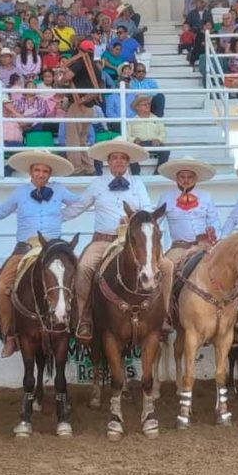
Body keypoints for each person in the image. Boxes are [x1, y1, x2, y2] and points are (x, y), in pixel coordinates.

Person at [61, 139, 174, 342]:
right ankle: (84, 318)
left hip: (132, 242)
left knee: (166, 266)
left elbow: (148, 210)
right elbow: (77, 207)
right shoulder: (97, 184)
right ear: (108, 162)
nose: (119, 162)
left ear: (128, 162)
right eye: (115, 158)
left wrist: (135, 217)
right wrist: (54, 216)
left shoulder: (138, 183)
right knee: (84, 267)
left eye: (123, 158)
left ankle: (163, 315)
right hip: (103, 240)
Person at [0, 150, 79, 357]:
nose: (41, 174)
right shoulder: (19, 192)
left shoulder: (60, 190)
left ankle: (79, 327)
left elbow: (81, 203)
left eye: (45, 171)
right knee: (1, 286)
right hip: (25, 248)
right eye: (37, 170)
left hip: (54, 249)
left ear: (50, 174)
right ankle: (9, 335)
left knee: (80, 278)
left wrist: (62, 217)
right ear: (30, 172)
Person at [156, 159, 220, 270]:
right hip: (179, 248)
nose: (186, 180)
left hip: (203, 246)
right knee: (167, 270)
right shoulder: (166, 197)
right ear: (177, 178)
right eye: (182, 177)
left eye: (190, 177)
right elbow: (155, 221)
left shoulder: (206, 196)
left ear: (195, 178)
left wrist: (213, 229)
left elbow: (214, 220)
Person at [61, 40, 103, 176]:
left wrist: (60, 80)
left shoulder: (80, 62)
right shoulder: (95, 66)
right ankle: (89, 167)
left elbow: (67, 77)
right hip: (90, 104)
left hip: (78, 104)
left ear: (80, 50)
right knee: (83, 138)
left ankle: (76, 168)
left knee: (73, 137)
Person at [127, 94, 169, 174]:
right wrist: (134, 139)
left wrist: (158, 139)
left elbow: (163, 133)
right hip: (139, 144)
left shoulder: (156, 119)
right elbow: (127, 135)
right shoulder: (131, 121)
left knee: (166, 151)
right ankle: (136, 174)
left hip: (154, 143)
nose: (147, 106)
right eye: (144, 104)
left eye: (148, 104)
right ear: (137, 107)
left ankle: (158, 174)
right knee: (130, 151)